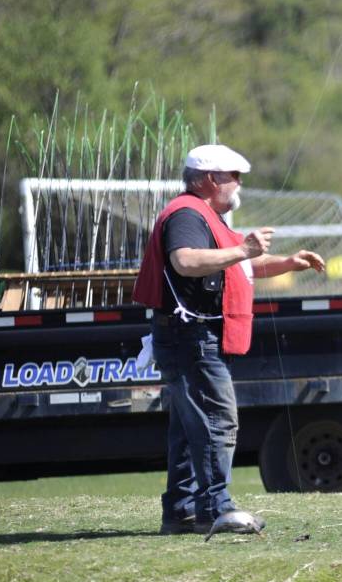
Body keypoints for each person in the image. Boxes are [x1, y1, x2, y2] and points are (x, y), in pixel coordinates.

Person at [133, 144, 324, 535]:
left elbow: (240, 261)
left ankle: (182, 510)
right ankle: (214, 508)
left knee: (189, 428)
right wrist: (243, 248)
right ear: (209, 179)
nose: (238, 183)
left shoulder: (206, 215)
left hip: (190, 337)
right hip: (191, 337)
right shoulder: (188, 213)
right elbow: (185, 260)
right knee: (217, 421)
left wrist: (288, 262)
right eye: (233, 176)